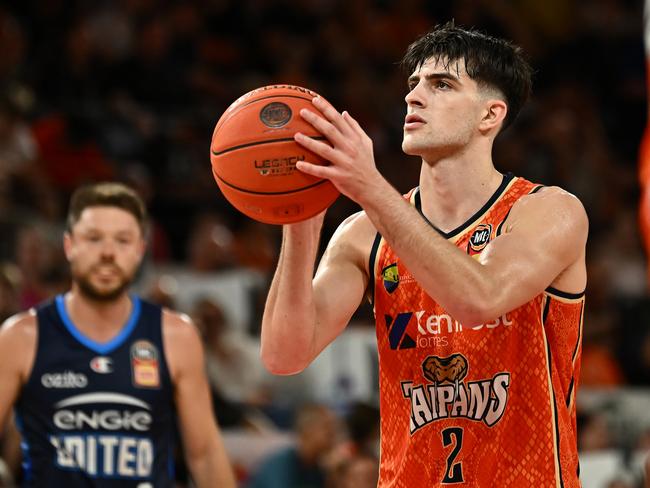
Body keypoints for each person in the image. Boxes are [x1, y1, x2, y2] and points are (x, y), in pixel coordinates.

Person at [261, 21, 587, 487]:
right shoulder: (363, 234)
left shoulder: (548, 211)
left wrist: (370, 186)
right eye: (413, 84)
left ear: (489, 116)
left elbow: (479, 299)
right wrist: (301, 223)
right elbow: (283, 355)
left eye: (441, 85)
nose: (414, 97)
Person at [0, 182, 236, 487]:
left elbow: (204, 456)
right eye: (94, 238)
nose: (108, 253)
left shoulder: (176, 336)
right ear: (69, 245)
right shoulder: (22, 336)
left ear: (140, 250)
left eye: (123, 240)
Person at [246, 403, 338, 488]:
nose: (333, 434)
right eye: (328, 428)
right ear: (308, 430)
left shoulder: (316, 468)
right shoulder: (282, 464)